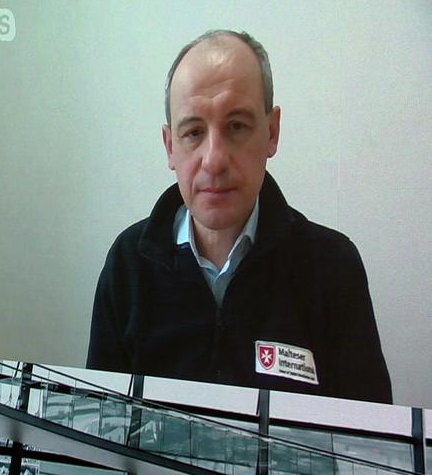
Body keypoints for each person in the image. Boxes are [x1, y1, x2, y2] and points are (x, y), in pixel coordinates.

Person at [86, 30, 392, 403]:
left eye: (236, 126)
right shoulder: (128, 264)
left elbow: (369, 431)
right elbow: (98, 422)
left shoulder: (333, 267)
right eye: (193, 132)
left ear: (272, 133)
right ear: (170, 147)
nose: (214, 160)